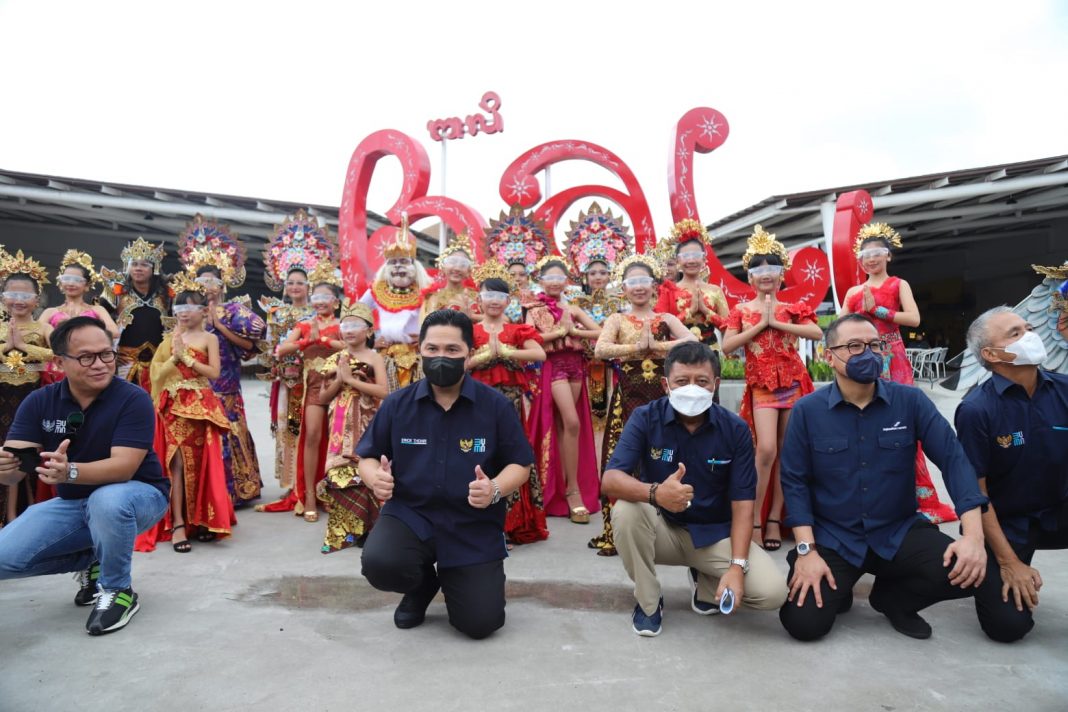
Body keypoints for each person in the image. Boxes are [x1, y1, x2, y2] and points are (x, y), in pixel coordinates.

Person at [778, 313, 991, 641]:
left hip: (897, 530)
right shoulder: (807, 411)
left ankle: (893, 600)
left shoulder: (910, 401)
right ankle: (841, 586)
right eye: (854, 345)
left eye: (875, 345)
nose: (868, 353)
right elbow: (794, 482)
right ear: (828, 356)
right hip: (835, 537)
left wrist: (974, 537)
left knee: (973, 571)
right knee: (804, 624)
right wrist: (806, 551)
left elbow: (953, 459)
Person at [357, 309, 535, 639]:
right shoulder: (398, 404)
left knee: (480, 624)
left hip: (472, 523)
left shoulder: (494, 406)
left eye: (452, 351)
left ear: (469, 353)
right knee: (381, 563)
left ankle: (463, 580)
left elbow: (520, 465)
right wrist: (373, 478)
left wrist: (495, 488)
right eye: (433, 349)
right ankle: (422, 586)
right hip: (411, 515)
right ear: (420, 350)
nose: (441, 358)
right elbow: (366, 456)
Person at [603, 341, 788, 636]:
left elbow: (743, 504)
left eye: (701, 381)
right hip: (662, 528)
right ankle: (649, 602)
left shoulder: (735, 429)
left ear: (715, 384)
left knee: (772, 593)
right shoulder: (645, 418)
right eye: (681, 381)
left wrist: (737, 568)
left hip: (713, 535)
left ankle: (706, 583)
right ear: (665, 385)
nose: (692, 388)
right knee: (626, 509)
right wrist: (655, 494)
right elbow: (610, 480)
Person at [0, 316, 168, 635]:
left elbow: (124, 467)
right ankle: (92, 557)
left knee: (108, 499)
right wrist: (6, 470)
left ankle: (117, 590)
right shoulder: (40, 402)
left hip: (139, 496)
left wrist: (70, 471)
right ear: (61, 361)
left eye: (106, 354)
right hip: (76, 504)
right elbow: (14, 471)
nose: (100, 364)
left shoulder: (133, 399)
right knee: (4, 559)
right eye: (86, 357)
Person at [955, 306, 1068, 642]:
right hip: (1005, 524)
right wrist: (1008, 562)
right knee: (1008, 627)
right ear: (991, 354)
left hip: (1058, 510)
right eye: (1015, 334)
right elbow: (976, 494)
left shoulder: (1064, 390)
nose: (1030, 336)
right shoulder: (976, 410)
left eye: (1028, 327)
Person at [840, 223, 956, 523]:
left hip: (893, 357)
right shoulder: (854, 291)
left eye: (877, 253)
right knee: (865, 423)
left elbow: (914, 318)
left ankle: (921, 498)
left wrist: (878, 311)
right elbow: (839, 327)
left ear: (888, 255)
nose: (871, 259)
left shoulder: (897, 285)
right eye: (865, 254)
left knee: (903, 422)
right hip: (863, 359)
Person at [722, 226, 822, 551]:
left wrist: (775, 322)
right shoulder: (740, 311)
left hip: (792, 382)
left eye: (772, 270)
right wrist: (760, 324)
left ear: (782, 276)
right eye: (758, 270)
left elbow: (816, 334)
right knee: (765, 451)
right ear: (750, 278)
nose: (765, 276)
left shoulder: (792, 308)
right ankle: (752, 520)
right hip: (762, 386)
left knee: (787, 453)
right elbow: (727, 346)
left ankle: (776, 519)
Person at [589, 255, 696, 556]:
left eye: (643, 282)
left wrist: (657, 347)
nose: (638, 288)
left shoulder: (666, 318)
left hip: (663, 397)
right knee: (625, 457)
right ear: (623, 288)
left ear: (654, 285)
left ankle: (671, 525)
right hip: (629, 398)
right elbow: (600, 349)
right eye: (632, 283)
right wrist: (637, 348)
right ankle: (621, 529)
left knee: (667, 454)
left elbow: (691, 341)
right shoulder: (617, 319)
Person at [137, 273, 232, 552]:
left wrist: (188, 358)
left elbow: (214, 373)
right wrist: (174, 359)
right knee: (175, 464)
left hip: (201, 407)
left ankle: (202, 520)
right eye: (178, 309)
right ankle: (178, 523)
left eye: (188, 308)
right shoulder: (169, 339)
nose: (182, 314)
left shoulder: (209, 338)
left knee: (203, 463)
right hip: (173, 406)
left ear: (203, 311)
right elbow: (155, 374)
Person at [178, 217, 266, 507]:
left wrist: (221, 325)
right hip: (196, 384)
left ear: (221, 283)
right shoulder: (188, 312)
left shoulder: (234, 311)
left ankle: (239, 489)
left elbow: (252, 344)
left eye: (212, 281)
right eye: (202, 281)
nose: (207, 286)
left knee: (231, 433)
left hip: (226, 384)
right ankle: (204, 490)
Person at [256, 210, 335, 511]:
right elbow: (271, 347)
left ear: (310, 287)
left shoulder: (319, 316)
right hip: (288, 384)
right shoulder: (275, 311)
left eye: (300, 283)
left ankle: (316, 486)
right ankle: (294, 488)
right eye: (290, 282)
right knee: (290, 433)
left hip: (316, 381)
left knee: (317, 434)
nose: (294, 287)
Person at [468, 266, 548, 545]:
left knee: (509, 455)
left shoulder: (516, 330)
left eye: (499, 295)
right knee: (477, 452)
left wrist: (505, 351)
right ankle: (477, 521)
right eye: (487, 294)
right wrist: (484, 357)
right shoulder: (469, 330)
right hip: (474, 403)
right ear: (479, 298)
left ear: (508, 301)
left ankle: (511, 525)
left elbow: (540, 353)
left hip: (509, 404)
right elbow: (459, 363)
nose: (493, 300)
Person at [526, 257, 602, 524]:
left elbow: (600, 332)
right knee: (572, 422)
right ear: (541, 281)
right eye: (550, 278)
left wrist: (576, 332)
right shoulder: (533, 309)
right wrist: (561, 332)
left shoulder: (573, 308)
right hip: (554, 368)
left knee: (565, 426)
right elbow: (531, 338)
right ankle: (572, 491)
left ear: (566, 282)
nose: (555, 282)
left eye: (560, 278)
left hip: (575, 367)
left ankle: (563, 485)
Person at [273, 265, 344, 522]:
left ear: (335, 302)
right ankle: (310, 495)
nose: (320, 303)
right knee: (312, 435)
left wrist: (324, 341)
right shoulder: (304, 324)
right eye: (317, 298)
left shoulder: (342, 324)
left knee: (340, 439)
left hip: (340, 384)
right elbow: (282, 349)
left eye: (326, 299)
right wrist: (306, 341)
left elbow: (349, 346)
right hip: (314, 385)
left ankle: (337, 492)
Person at [316, 299, 387, 553]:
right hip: (339, 421)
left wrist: (353, 382)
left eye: (355, 325)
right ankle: (346, 530)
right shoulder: (335, 358)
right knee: (340, 472)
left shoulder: (375, 358)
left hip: (368, 419)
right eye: (345, 325)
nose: (349, 330)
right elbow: (323, 397)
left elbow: (384, 391)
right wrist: (340, 379)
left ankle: (370, 529)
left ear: (368, 330)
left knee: (367, 470)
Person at [0, 249, 53, 524]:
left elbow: (60, 353)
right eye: (12, 295)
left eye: (25, 296)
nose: (18, 301)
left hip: (30, 397)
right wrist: (5, 349)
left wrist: (23, 347)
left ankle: (22, 514)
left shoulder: (42, 328)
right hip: (1, 396)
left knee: (25, 454)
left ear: (36, 299)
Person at [565, 202, 628, 426]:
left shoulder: (622, 300)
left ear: (611, 275)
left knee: (614, 412)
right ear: (584, 277)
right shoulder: (573, 302)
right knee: (585, 417)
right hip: (582, 365)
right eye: (592, 273)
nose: (598, 277)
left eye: (603, 272)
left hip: (614, 365)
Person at [359, 214, 429, 391]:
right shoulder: (376, 290)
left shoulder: (427, 291)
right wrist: (370, 342)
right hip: (386, 356)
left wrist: (426, 340)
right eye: (393, 262)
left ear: (414, 265)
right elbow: (354, 315)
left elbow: (438, 321)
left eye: (404, 262)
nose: (398, 267)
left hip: (418, 355)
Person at [40, 250, 119, 341]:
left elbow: (114, 332)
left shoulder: (98, 310)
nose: (70, 283)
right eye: (66, 279)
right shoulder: (49, 312)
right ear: (61, 283)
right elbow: (36, 335)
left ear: (87, 285)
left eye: (77, 280)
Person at [420, 232, 480, 321]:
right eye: (452, 262)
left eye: (463, 264)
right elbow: (427, 326)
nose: (457, 268)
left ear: (469, 271)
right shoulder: (434, 298)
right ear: (443, 267)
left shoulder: (477, 298)